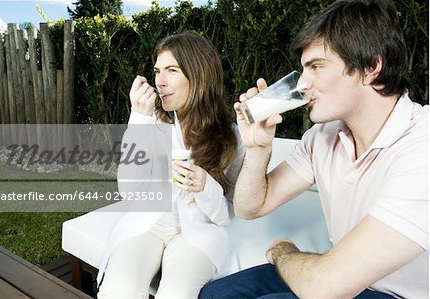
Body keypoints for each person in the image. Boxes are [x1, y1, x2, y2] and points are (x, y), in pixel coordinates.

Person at [199, 0, 428, 298]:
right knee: (216, 294)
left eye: (316, 67)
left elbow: (324, 286)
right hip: (341, 277)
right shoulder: (323, 136)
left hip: (398, 294)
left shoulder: (421, 144)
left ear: (371, 67)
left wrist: (284, 253)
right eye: (303, 69)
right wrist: (257, 149)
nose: (303, 84)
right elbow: (249, 207)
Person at [97, 31, 245, 299]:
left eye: (172, 70)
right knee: (117, 291)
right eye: (157, 71)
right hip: (148, 224)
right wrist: (138, 120)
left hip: (199, 233)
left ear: (199, 75)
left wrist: (205, 187)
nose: (160, 81)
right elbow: (129, 191)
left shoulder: (231, 137)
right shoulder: (152, 122)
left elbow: (228, 215)